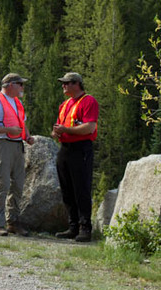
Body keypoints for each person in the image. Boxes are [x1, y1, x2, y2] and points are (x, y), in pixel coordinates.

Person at [0, 72, 35, 236]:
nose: (22, 88)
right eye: (20, 84)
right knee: (1, 184)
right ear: (11, 85)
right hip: (1, 145)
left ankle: (13, 222)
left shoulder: (17, 102)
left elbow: (22, 123)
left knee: (18, 185)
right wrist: (8, 130)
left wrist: (27, 136)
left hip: (17, 146)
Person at [51, 72, 98, 243]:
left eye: (67, 83)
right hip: (65, 148)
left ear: (77, 84)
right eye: (62, 83)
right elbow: (59, 127)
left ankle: (85, 228)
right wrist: (56, 132)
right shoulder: (64, 105)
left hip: (81, 149)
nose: (63, 86)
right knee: (67, 189)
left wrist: (66, 130)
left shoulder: (88, 101)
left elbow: (89, 128)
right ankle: (73, 226)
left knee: (81, 189)